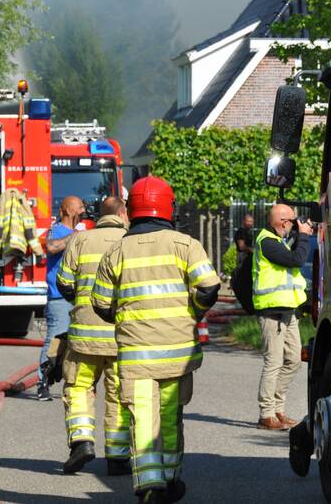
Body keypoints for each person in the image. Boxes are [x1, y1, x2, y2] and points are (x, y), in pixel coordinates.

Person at [92, 176, 220, 504]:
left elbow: (101, 304)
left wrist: (125, 320)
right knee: (171, 416)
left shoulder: (116, 250)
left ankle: (150, 486)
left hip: (136, 356)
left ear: (132, 210)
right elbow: (208, 288)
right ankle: (171, 477)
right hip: (177, 355)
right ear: (168, 207)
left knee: (143, 420)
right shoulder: (186, 245)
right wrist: (192, 313)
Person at [55, 197, 133, 476]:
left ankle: (81, 442)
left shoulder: (80, 240)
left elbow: (63, 282)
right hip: (121, 337)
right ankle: (118, 457)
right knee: (118, 396)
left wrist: (82, 302)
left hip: (84, 336)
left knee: (78, 388)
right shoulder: (129, 240)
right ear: (123, 213)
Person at [253, 203, 311, 430]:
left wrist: (301, 235)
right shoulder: (267, 242)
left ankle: (278, 408)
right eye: (292, 220)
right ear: (284, 221)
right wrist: (305, 237)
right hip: (272, 312)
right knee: (274, 362)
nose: (295, 224)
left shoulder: (279, 241)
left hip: (287, 311)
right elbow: (297, 260)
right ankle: (266, 414)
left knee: (294, 360)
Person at [38, 195, 86, 401]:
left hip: (77, 296)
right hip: (59, 297)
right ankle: (43, 383)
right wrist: (75, 236)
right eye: (80, 207)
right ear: (68, 210)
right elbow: (51, 247)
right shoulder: (57, 230)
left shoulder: (80, 233)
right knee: (55, 340)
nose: (83, 211)